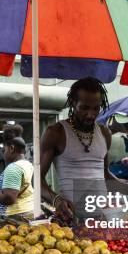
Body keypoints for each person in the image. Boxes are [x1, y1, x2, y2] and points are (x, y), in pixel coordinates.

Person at [41, 77, 118, 217]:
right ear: (72, 103)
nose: (91, 114)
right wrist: (56, 199)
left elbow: (105, 175)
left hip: (101, 218)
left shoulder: (105, 133)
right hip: (70, 219)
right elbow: (37, 180)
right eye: (84, 108)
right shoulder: (55, 132)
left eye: (96, 108)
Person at [0, 125, 34, 221]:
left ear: (11, 148)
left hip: (13, 219)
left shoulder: (13, 168)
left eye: (4, 149)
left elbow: (8, 198)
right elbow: (15, 187)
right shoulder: (27, 164)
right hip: (25, 214)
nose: (3, 153)